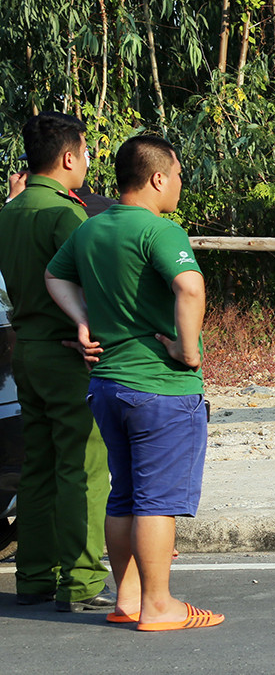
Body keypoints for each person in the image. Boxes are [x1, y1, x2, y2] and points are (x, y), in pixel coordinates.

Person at [45, 135, 223, 630]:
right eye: (179, 175)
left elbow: (54, 276)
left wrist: (83, 320)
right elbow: (190, 286)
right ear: (158, 178)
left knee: (123, 495)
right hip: (160, 387)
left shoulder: (91, 228)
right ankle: (159, 605)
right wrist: (188, 351)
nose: (181, 184)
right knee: (157, 501)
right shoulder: (161, 231)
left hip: (107, 384)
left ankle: (127, 599)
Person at [0, 112, 113, 612]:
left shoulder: (11, 211)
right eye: (85, 152)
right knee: (83, 467)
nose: (87, 161)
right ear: (68, 157)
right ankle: (81, 582)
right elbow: (95, 286)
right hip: (69, 352)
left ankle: (33, 576)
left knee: (38, 466)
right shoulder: (65, 213)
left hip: (25, 350)